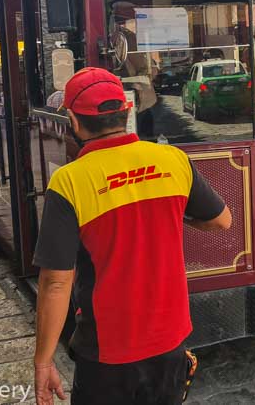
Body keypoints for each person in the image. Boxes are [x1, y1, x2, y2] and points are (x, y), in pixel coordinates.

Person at [32, 68, 232, 405]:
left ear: (73, 121)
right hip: (171, 341)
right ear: (127, 112)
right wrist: (168, 215)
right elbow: (222, 221)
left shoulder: (69, 182)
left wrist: (43, 361)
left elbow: (55, 282)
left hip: (107, 351)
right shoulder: (172, 161)